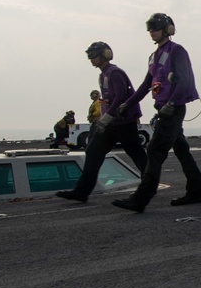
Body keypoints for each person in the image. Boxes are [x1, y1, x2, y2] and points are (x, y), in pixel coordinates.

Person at [112, 13, 201, 213]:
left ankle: (141, 198)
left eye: (155, 27)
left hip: (173, 109)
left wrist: (170, 104)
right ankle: (196, 191)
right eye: (150, 28)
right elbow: (146, 84)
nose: (151, 31)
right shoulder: (154, 56)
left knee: (154, 151)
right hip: (163, 107)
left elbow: (184, 80)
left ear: (168, 29)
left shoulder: (177, 51)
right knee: (182, 151)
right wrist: (128, 103)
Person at [55, 42, 147, 202]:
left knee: (137, 155)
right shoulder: (104, 74)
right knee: (93, 153)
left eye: (93, 55)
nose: (91, 59)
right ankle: (81, 192)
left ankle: (149, 185)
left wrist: (107, 117)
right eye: (89, 56)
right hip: (110, 124)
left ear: (105, 54)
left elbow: (121, 96)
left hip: (123, 123)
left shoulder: (114, 73)